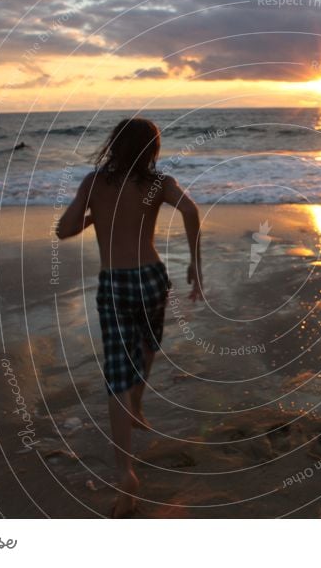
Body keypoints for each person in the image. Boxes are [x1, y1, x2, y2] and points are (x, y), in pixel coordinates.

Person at [56, 117, 203, 517]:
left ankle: (125, 471)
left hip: (115, 284)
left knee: (117, 374)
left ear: (113, 145)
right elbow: (191, 211)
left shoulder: (94, 182)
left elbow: (63, 230)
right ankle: (137, 400)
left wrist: (92, 217)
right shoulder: (158, 183)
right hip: (152, 277)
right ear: (152, 151)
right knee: (149, 344)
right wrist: (195, 264)